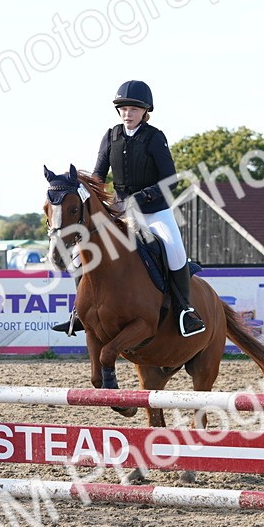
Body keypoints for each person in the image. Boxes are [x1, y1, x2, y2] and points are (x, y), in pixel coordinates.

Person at [52, 80, 205, 338]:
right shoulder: (111, 136)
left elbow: (171, 179)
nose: (127, 114)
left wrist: (141, 197)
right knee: (80, 253)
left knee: (175, 251)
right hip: (120, 212)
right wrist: (79, 190)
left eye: (134, 109)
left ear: (146, 112)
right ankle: (79, 312)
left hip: (155, 211)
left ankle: (184, 311)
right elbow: (99, 176)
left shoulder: (155, 137)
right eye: (123, 109)